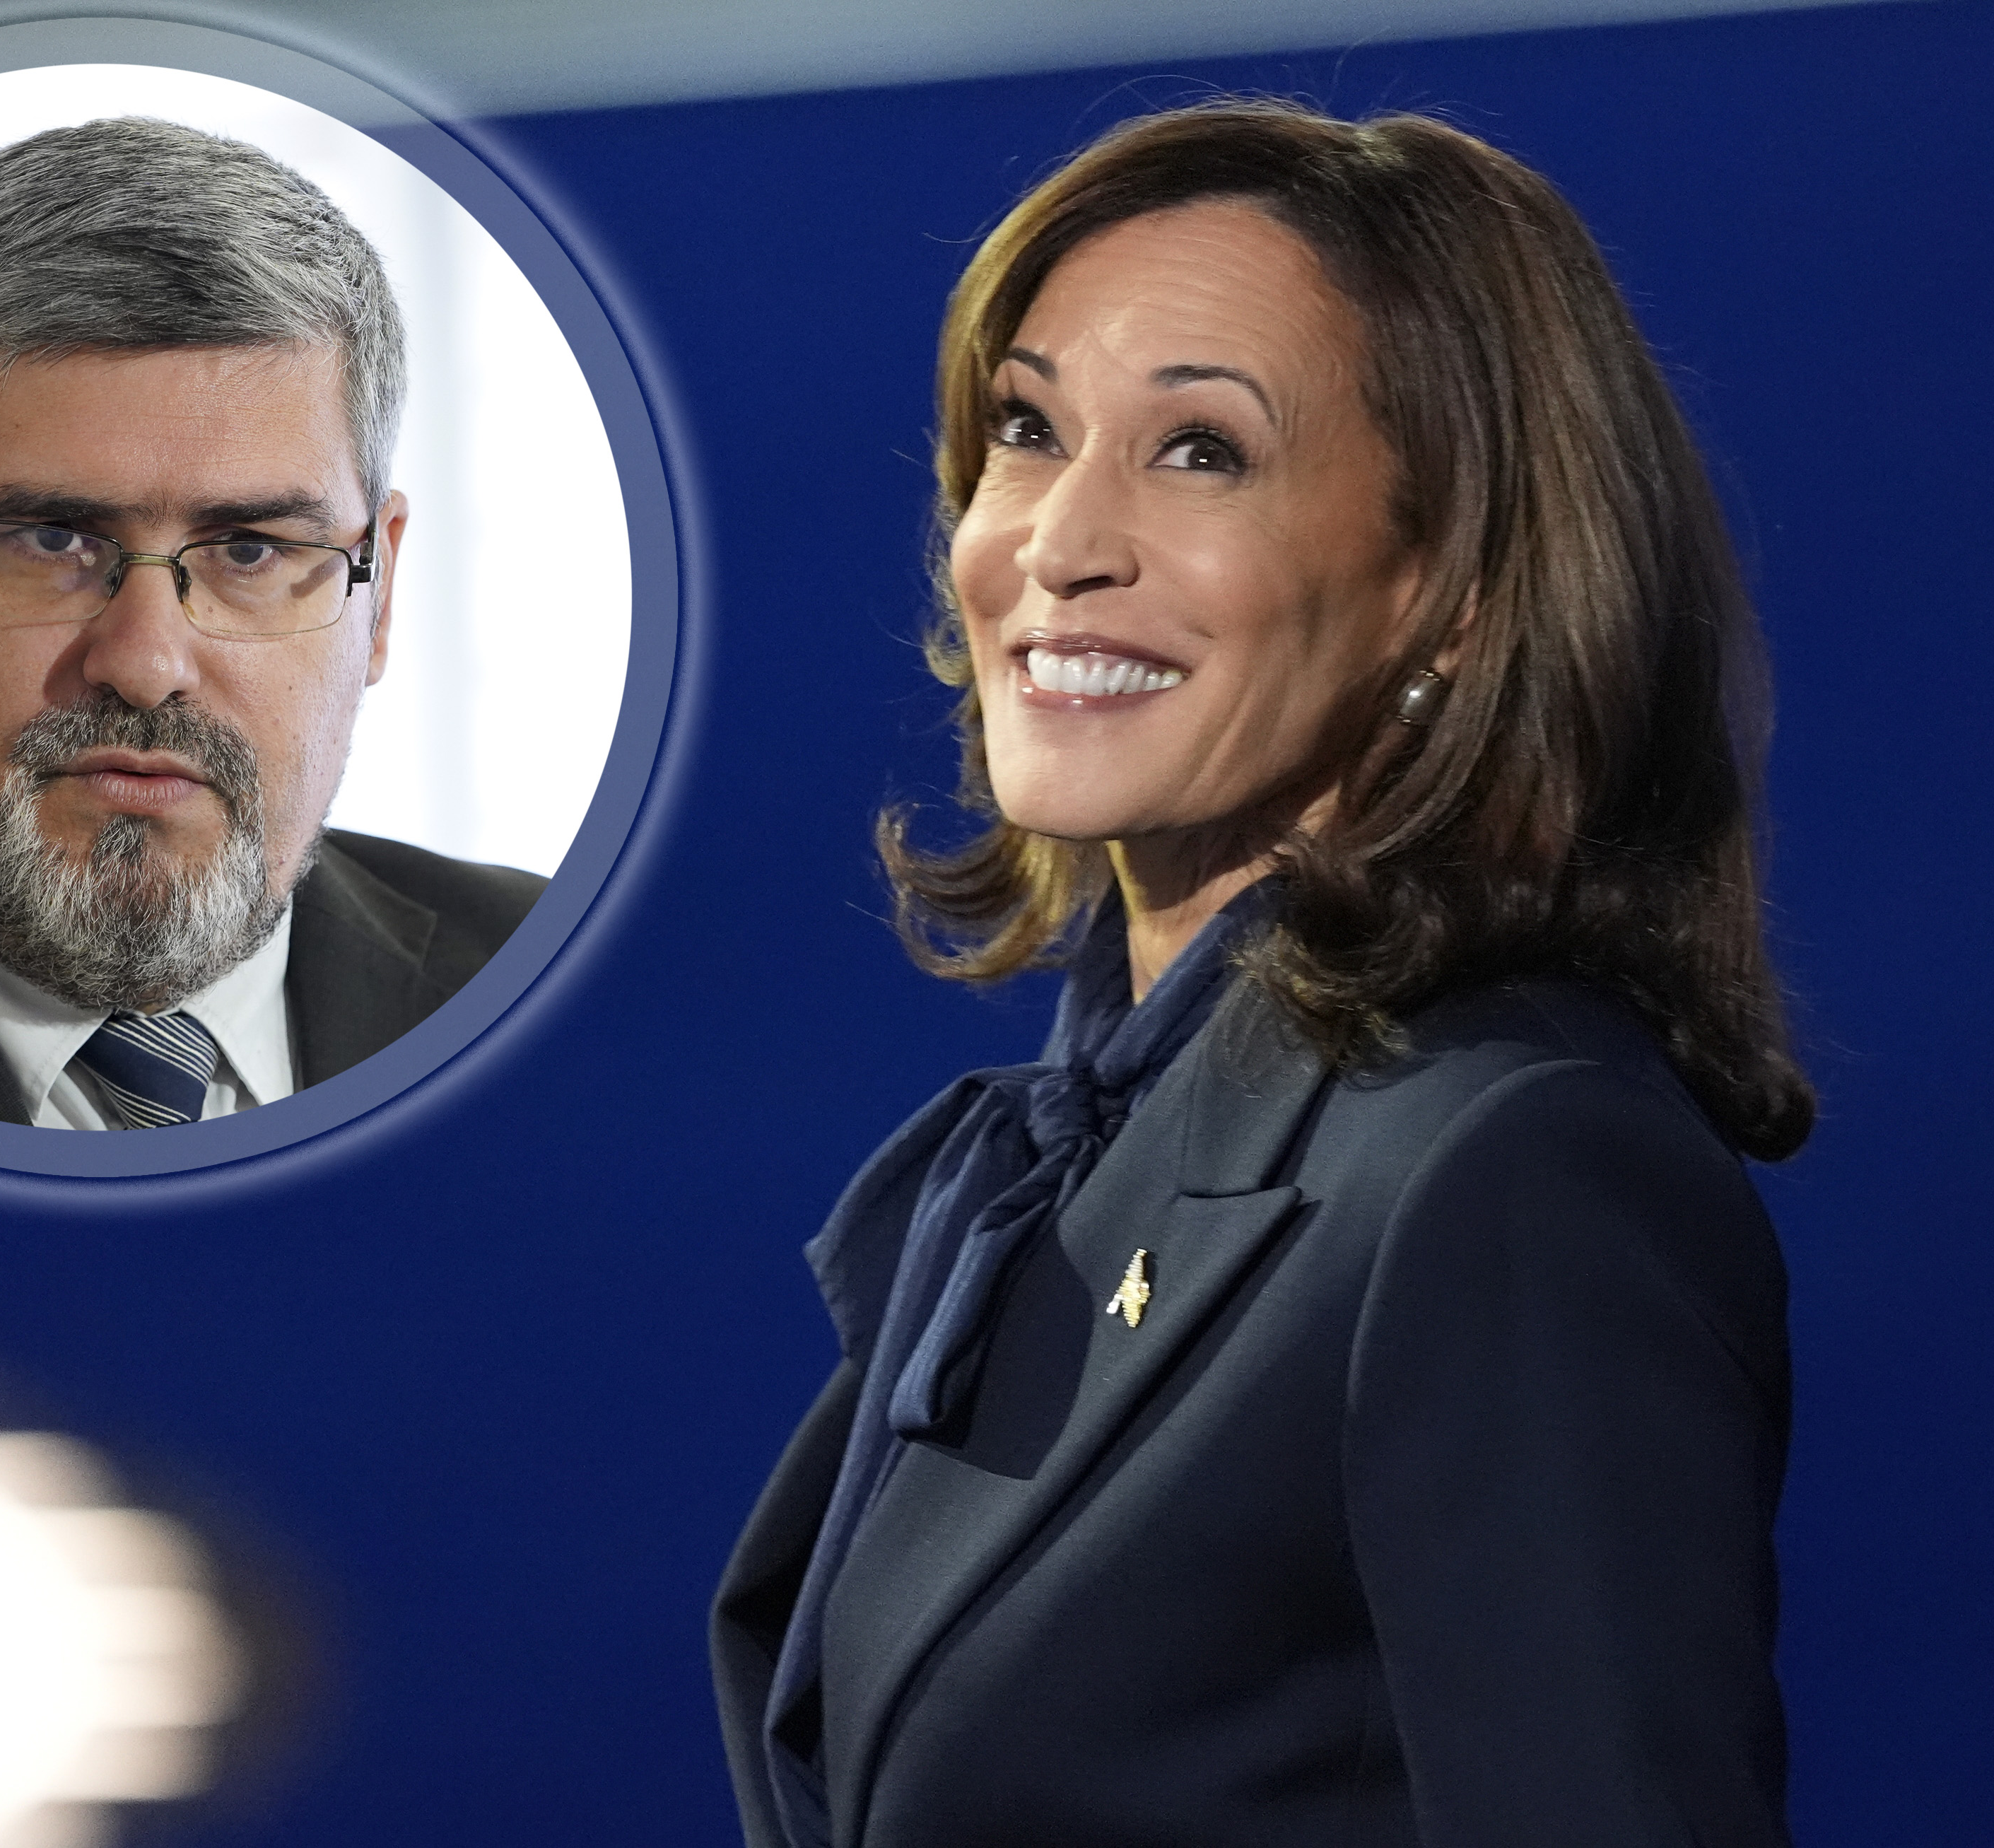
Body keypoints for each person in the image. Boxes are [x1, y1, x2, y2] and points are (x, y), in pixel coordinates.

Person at [712, 100, 1812, 1847]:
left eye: (1199, 450)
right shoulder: (1073, 1159)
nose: (1056, 540)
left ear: (1443, 587)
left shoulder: (1505, 1167)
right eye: (1025, 427)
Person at [0, 117, 544, 1130]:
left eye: (250, 549)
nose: (145, 662)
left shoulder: (585, 996)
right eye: (48, 540)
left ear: (377, 593)